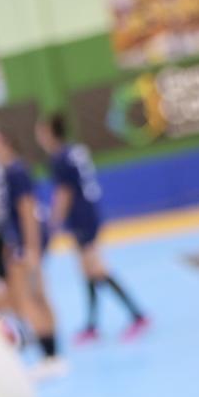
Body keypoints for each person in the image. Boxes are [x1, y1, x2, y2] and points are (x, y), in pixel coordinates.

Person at [35, 113, 148, 342]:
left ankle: (137, 316)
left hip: (81, 218)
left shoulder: (59, 158)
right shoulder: (75, 150)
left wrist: (54, 222)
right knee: (87, 271)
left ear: (49, 132)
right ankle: (92, 325)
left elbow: (64, 192)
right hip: (89, 213)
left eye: (41, 131)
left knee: (96, 269)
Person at [0, 119, 64, 377]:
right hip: (17, 242)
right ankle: (52, 354)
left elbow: (27, 208)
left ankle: (50, 356)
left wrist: (29, 248)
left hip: (23, 243)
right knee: (31, 297)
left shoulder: (13, 170)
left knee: (30, 298)